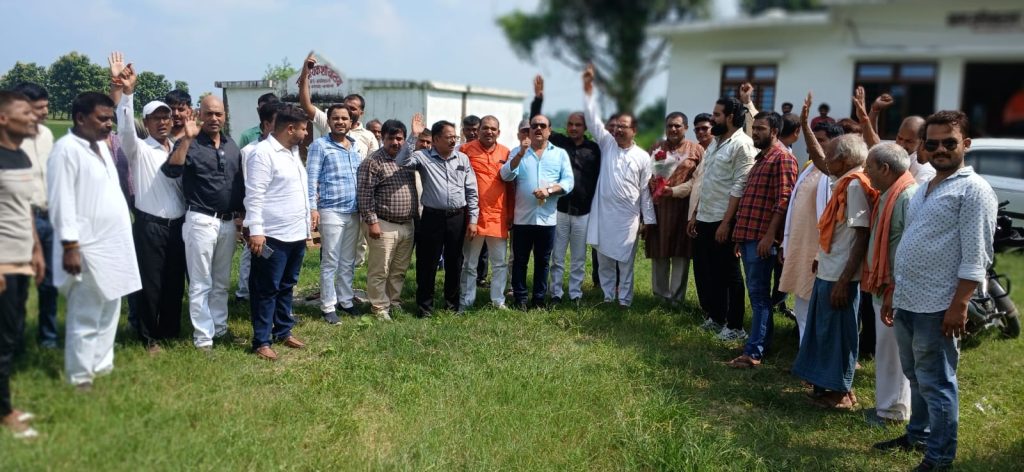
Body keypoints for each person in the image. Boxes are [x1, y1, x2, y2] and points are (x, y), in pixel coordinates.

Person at [875, 111, 997, 472]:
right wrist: (894, 290)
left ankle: (940, 457)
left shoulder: (973, 190)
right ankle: (919, 435)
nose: (940, 149)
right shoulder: (926, 186)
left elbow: (977, 256)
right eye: (933, 143)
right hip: (908, 299)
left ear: (966, 144)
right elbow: (911, 242)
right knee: (916, 376)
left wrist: (959, 305)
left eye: (949, 143)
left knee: (937, 382)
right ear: (924, 148)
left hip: (939, 305)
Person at [49, 92, 141, 389]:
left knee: (110, 306)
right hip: (86, 246)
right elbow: (61, 201)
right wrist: (70, 246)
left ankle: (101, 366)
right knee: (86, 312)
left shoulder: (101, 147)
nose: (108, 124)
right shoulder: (65, 150)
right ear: (80, 118)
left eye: (110, 119)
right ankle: (80, 376)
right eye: (102, 119)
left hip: (113, 244)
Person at [791, 132, 878, 409]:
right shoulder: (843, 182)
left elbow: (861, 235)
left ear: (845, 160)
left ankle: (841, 393)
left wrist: (843, 281)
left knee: (838, 335)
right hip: (830, 269)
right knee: (826, 332)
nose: (825, 161)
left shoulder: (855, 186)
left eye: (830, 156)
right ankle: (831, 388)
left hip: (841, 275)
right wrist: (821, 255)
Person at [108, 53, 187, 353]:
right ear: (147, 122)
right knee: (150, 284)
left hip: (177, 226)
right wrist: (127, 93)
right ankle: (148, 336)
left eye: (166, 117)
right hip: (150, 226)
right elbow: (125, 130)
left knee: (173, 282)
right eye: (156, 118)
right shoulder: (139, 149)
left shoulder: (177, 148)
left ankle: (169, 331)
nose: (163, 122)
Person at [162, 95, 244, 351]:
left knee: (221, 282)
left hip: (228, 222)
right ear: (199, 114)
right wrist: (186, 139)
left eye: (219, 114)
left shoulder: (231, 145)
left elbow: (238, 183)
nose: (214, 118)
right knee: (200, 282)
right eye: (209, 113)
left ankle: (219, 328)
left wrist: (241, 215)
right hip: (201, 219)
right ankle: (203, 337)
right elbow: (172, 170)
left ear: (225, 116)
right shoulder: (191, 142)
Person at [726, 111, 798, 368]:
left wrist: (770, 236)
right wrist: (739, 237)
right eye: (754, 128)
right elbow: (752, 201)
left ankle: (754, 352)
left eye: (761, 129)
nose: (755, 133)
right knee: (757, 295)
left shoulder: (782, 158)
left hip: (762, 240)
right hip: (749, 236)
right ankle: (760, 343)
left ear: (775, 131)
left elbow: (784, 200)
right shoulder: (761, 159)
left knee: (759, 297)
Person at [581, 64, 654, 307]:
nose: (619, 130)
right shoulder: (607, 144)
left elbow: (645, 191)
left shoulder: (643, 156)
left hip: (627, 218)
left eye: (624, 126)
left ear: (634, 130)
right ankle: (607, 296)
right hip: (604, 215)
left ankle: (624, 300)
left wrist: (648, 221)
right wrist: (588, 89)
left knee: (625, 262)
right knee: (604, 261)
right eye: (617, 126)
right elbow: (592, 120)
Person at [243, 105, 311, 360]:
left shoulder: (292, 152)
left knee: (287, 285)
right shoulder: (263, 153)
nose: (306, 133)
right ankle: (261, 340)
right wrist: (256, 231)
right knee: (266, 288)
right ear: (290, 128)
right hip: (272, 235)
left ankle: (283, 330)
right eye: (303, 128)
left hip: (295, 233)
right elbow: (254, 194)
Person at [686, 95, 756, 341]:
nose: (713, 118)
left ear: (730, 117)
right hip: (706, 216)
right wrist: (696, 213)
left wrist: (727, 223)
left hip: (725, 219)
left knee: (730, 274)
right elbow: (706, 181)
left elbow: (740, 186)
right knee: (711, 271)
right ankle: (716, 317)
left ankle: (735, 326)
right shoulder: (715, 143)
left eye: (717, 115)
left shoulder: (743, 145)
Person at [530, 75, 602, 305]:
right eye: (570, 124)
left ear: (585, 127)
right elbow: (537, 122)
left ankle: (576, 293)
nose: (573, 128)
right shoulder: (559, 143)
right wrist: (538, 98)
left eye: (578, 125)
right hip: (559, 208)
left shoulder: (594, 149)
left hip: (583, 211)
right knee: (557, 255)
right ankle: (556, 293)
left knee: (579, 257)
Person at [397, 119, 479, 317]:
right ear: (435, 139)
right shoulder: (423, 156)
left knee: (454, 262)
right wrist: (414, 136)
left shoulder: (462, 159)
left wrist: (473, 219)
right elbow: (401, 162)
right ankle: (425, 306)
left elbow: (471, 190)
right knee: (427, 262)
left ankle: (452, 304)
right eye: (448, 137)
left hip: (457, 218)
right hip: (432, 217)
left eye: (455, 137)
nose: (453, 141)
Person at [0, 91, 46, 438]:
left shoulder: (20, 155)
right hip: (3, 263)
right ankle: (4, 413)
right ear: (4, 118)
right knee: (2, 340)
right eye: (25, 113)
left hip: (21, 259)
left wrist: (36, 249)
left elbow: (25, 209)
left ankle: (5, 404)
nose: (33, 118)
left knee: (12, 334)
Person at [860, 142, 916, 425]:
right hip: (884, 287)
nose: (865, 172)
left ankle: (893, 411)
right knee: (886, 349)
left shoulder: (907, 196)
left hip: (895, 289)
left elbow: (910, 247)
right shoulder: (888, 193)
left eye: (869, 167)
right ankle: (887, 406)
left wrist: (895, 288)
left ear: (884, 168)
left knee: (893, 352)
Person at [500, 114, 573, 309]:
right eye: (534, 126)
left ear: (549, 130)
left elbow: (568, 182)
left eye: (542, 125)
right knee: (520, 261)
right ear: (529, 130)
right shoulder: (517, 152)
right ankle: (520, 298)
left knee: (543, 261)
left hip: (547, 218)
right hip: (522, 218)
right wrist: (520, 154)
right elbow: (505, 175)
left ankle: (539, 299)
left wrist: (549, 190)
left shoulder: (559, 154)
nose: (538, 128)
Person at [307, 103, 363, 323]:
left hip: (353, 211)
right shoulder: (320, 146)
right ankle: (328, 306)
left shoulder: (355, 147)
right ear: (329, 121)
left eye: (344, 118)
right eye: (336, 118)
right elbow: (311, 178)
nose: (340, 122)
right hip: (331, 210)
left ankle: (346, 301)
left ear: (351, 122)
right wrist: (312, 208)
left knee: (348, 260)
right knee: (330, 260)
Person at [358, 119, 419, 320]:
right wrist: (372, 222)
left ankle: (394, 301)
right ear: (382, 138)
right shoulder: (372, 162)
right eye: (390, 138)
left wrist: (415, 136)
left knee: (399, 269)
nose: (395, 142)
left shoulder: (408, 161)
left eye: (399, 138)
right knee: (380, 269)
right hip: (383, 224)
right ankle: (379, 307)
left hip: (407, 224)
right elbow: (364, 195)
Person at [11, 82, 57, 349]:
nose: (45, 112)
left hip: (49, 217)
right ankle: (14, 340)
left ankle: (48, 338)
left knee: (50, 283)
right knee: (18, 285)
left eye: (46, 106)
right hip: (19, 221)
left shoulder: (47, 135)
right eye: (40, 108)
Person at [645, 112, 703, 305]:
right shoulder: (656, 147)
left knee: (681, 254)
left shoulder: (696, 150)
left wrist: (676, 192)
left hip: (683, 210)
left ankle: (677, 299)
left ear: (685, 128)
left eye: (677, 125)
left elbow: (699, 181)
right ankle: (660, 296)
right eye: (669, 125)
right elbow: (645, 175)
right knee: (659, 252)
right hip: (659, 209)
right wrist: (653, 184)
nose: (673, 129)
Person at [459, 116, 511, 311]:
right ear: (478, 130)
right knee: (469, 263)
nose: (489, 132)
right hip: (473, 216)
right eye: (485, 128)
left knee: (499, 263)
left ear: (499, 132)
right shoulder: (465, 150)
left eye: (493, 129)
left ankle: (498, 300)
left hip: (498, 216)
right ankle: (467, 300)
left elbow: (511, 186)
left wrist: (511, 213)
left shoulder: (506, 152)